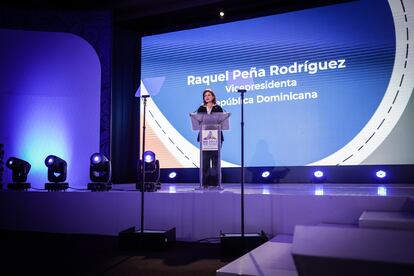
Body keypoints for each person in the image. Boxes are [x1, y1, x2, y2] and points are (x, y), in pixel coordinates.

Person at [197, 88, 224, 188]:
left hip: (216, 137)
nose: (207, 97)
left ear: (213, 97)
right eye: (205, 96)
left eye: (209, 95)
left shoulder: (218, 108)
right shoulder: (200, 109)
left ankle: (216, 183)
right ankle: (204, 183)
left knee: (216, 163)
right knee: (205, 162)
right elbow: (198, 121)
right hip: (204, 138)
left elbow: (221, 121)